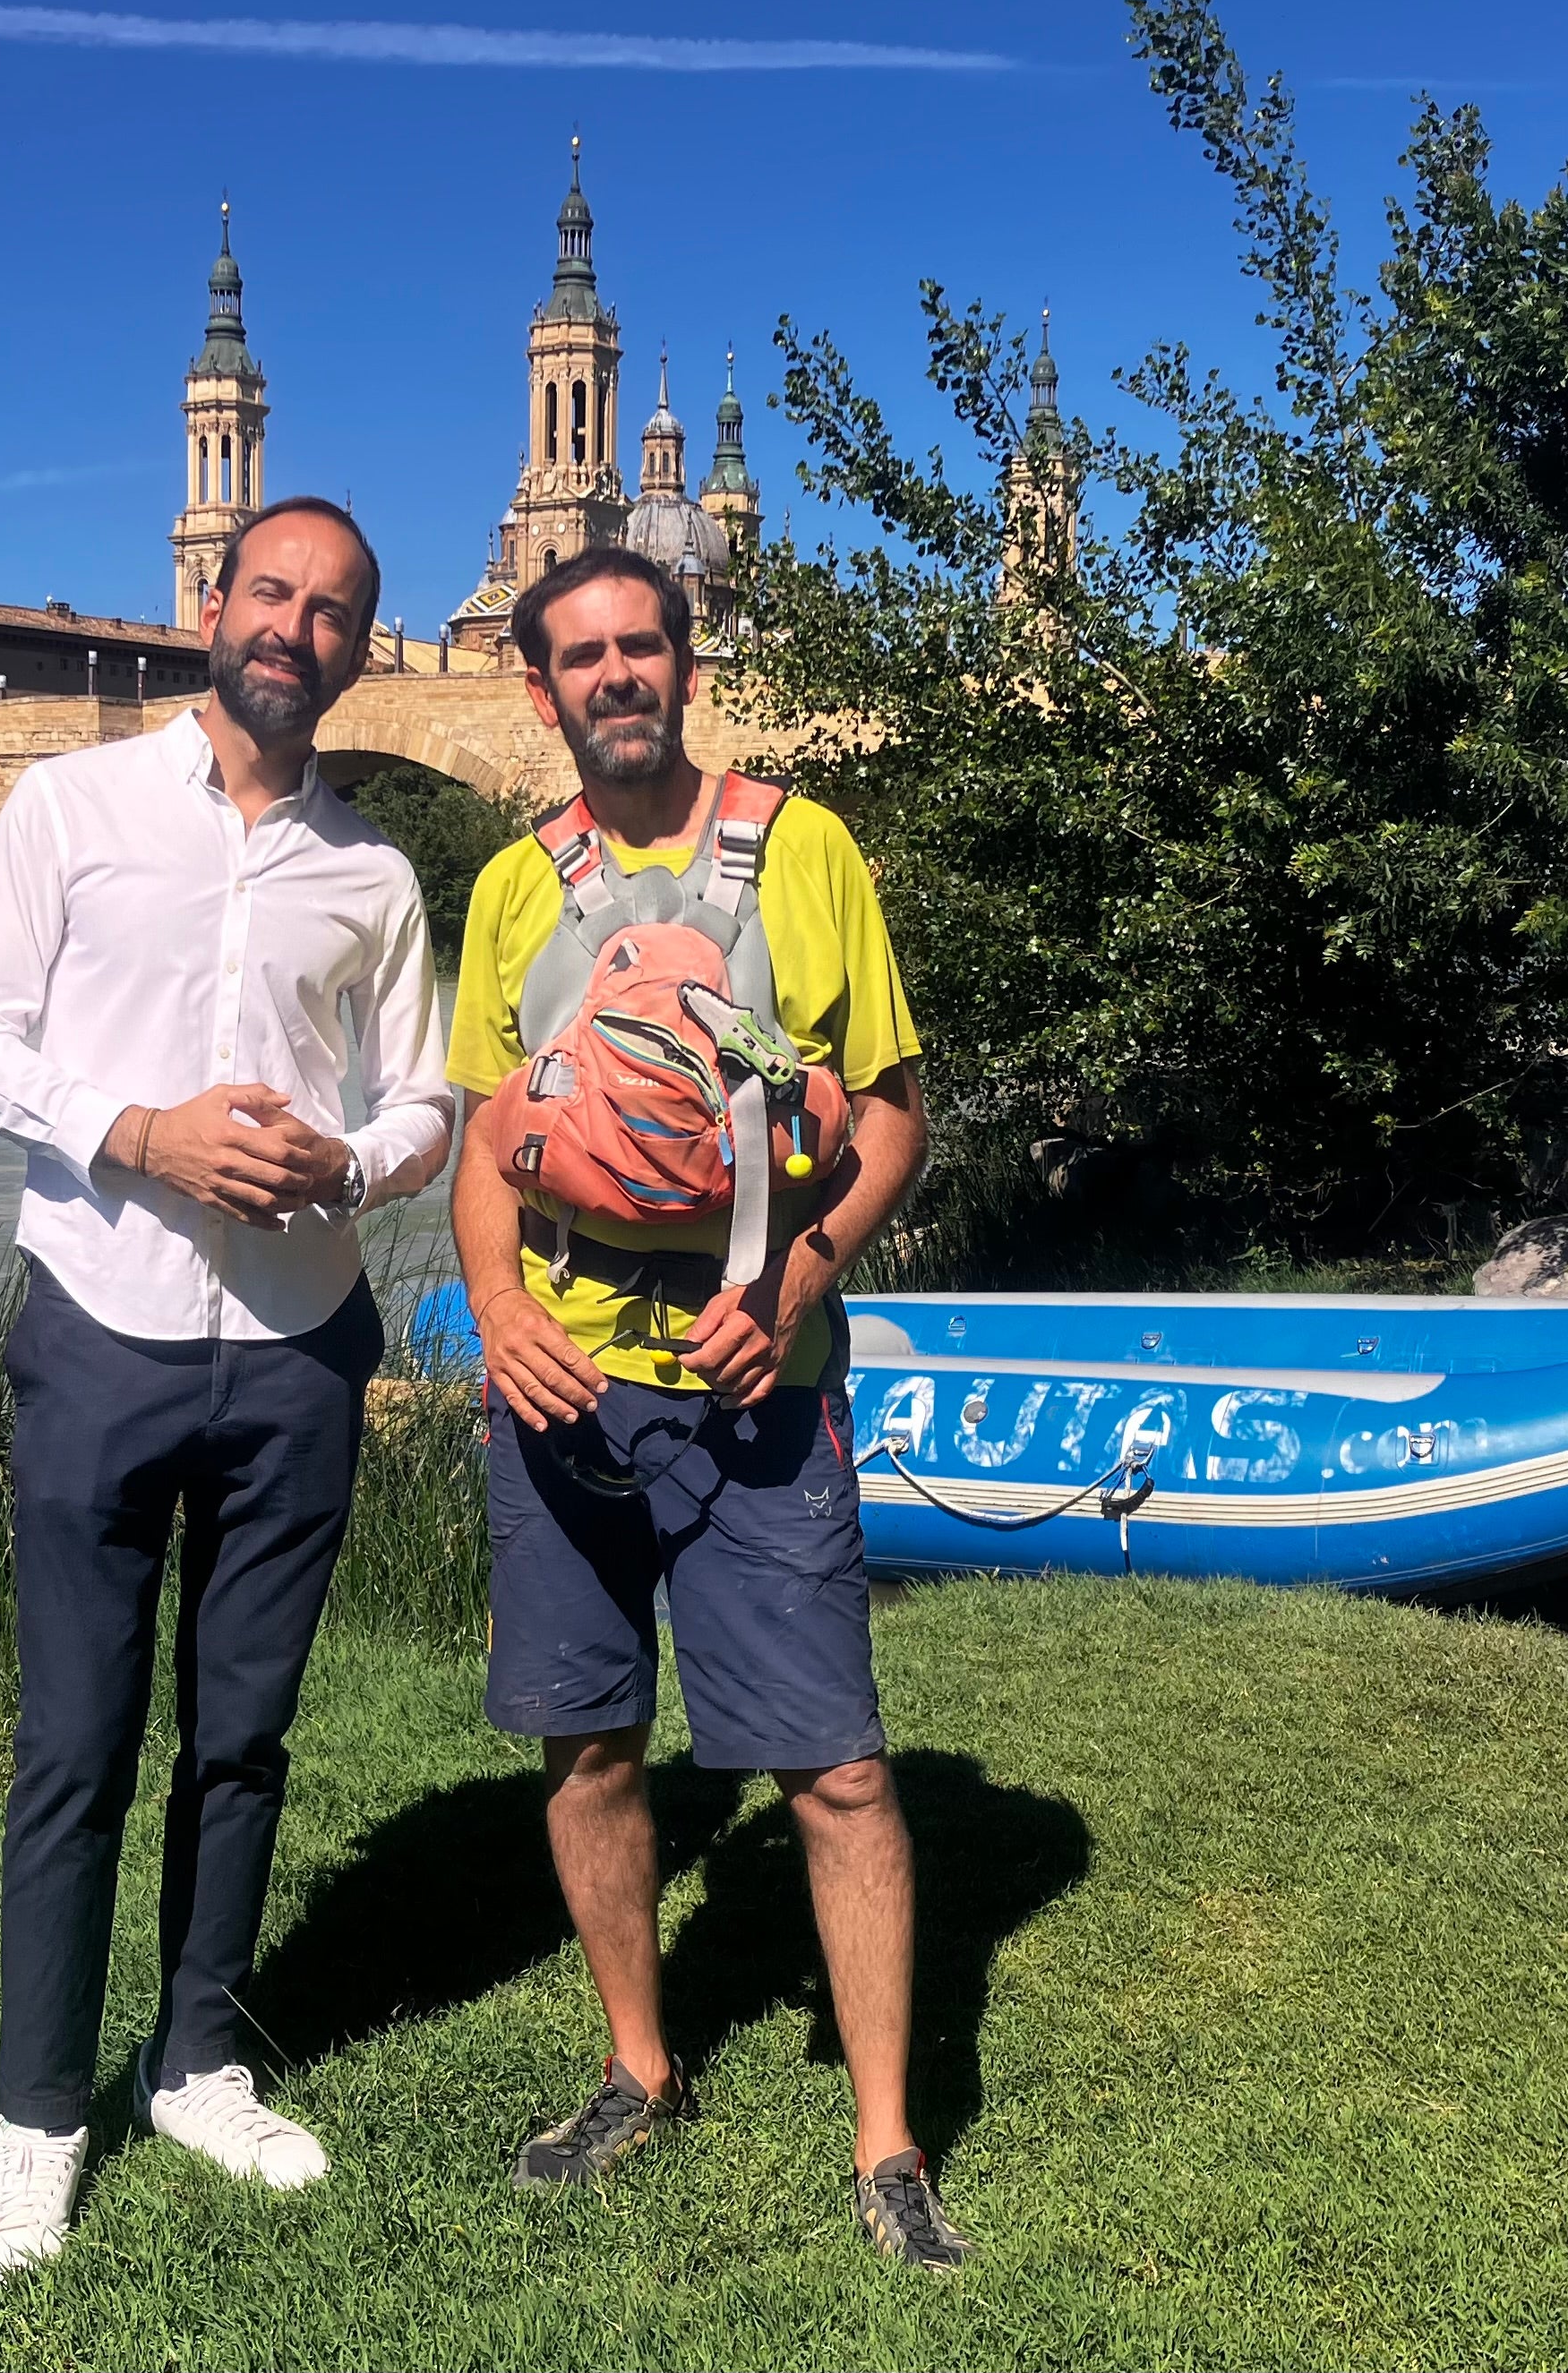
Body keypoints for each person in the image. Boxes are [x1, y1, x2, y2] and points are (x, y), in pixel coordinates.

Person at [0, 497, 452, 2281]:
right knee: (74, 1742)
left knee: (243, 1733)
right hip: (99, 1325)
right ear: (216, 607)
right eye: (272, 593)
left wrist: (356, 1162)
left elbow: (426, 1104)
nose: (295, 629)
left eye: (334, 613)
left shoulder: (373, 875)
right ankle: (37, 2112)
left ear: (360, 652)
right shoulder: (67, 810)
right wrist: (134, 1129)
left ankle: (202, 2058)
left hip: (298, 1347)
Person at [447, 544, 962, 2271]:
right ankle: (638, 2068)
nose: (615, 677)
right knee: (588, 1746)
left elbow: (887, 1112)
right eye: (581, 655)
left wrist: (802, 1275)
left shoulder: (806, 849)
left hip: (763, 1383)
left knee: (835, 1771)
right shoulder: (518, 886)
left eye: (641, 647)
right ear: (542, 690)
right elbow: (484, 1142)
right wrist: (499, 1302)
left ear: (685, 661)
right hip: (570, 1388)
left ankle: (889, 2143)